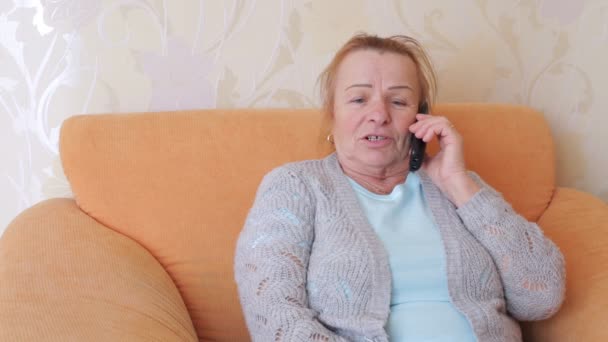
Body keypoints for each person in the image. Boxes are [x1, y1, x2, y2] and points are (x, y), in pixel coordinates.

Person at [234, 33, 565, 342]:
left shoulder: (461, 187)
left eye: (399, 101)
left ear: (420, 118)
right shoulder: (296, 187)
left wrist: (459, 183)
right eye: (359, 99)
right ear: (332, 115)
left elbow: (542, 297)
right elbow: (275, 316)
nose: (378, 114)